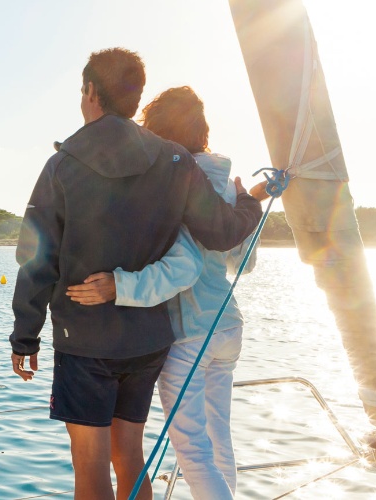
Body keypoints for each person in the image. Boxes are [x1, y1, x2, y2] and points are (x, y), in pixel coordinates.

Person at [9, 48, 264, 500]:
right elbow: (223, 233)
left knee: (89, 466)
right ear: (136, 95)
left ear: (90, 92)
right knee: (129, 455)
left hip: (86, 339)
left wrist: (24, 336)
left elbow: (36, 258)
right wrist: (249, 201)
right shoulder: (175, 161)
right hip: (149, 340)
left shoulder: (62, 164)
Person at [66, 86, 269, 499]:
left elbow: (185, 265)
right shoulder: (229, 186)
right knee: (218, 441)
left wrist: (118, 285)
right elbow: (242, 263)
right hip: (227, 328)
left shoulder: (173, 182)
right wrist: (249, 200)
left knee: (193, 452)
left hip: (190, 332)